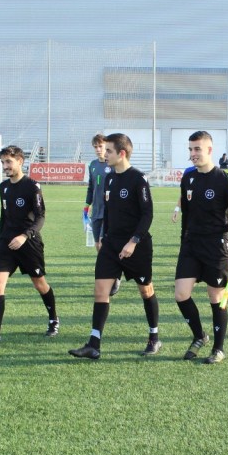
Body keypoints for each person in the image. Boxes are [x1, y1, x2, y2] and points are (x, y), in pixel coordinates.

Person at [68, 133, 158, 359]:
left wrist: (133, 241)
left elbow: (147, 214)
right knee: (101, 290)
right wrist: (102, 236)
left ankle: (154, 337)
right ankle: (94, 344)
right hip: (111, 244)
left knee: (145, 290)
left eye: (109, 151)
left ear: (122, 153)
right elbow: (108, 211)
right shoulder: (109, 178)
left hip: (136, 246)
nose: (104, 154)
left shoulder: (138, 179)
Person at [0, 146, 59, 346]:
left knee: (40, 283)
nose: (5, 166)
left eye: (8, 161)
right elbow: (4, 217)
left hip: (29, 243)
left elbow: (40, 217)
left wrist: (25, 236)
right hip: (6, 244)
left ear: (20, 161)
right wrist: (0, 242)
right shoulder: (3, 187)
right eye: (2, 162)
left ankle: (53, 318)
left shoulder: (32, 186)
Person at [175, 131, 228, 364]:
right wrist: (183, 240)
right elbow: (186, 213)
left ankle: (218, 348)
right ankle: (199, 336)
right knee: (181, 294)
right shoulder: (188, 178)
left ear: (209, 150)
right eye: (190, 149)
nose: (193, 153)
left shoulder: (225, 180)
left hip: (216, 246)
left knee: (216, 297)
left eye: (197, 149)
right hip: (191, 244)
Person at [85, 133, 121, 296]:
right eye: (96, 147)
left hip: (109, 213)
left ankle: (113, 277)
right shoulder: (93, 165)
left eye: (101, 146)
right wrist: (87, 205)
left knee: (103, 245)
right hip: (96, 212)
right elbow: (91, 187)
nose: (98, 149)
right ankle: (112, 273)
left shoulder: (112, 165)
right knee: (98, 247)